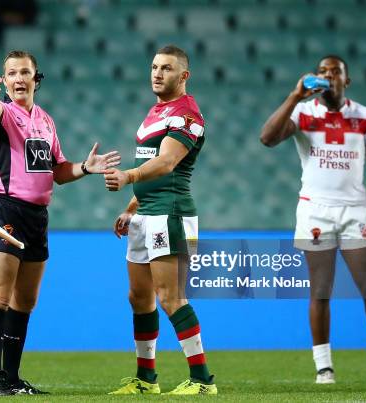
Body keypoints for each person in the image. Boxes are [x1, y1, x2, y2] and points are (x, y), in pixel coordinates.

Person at [0, 50, 120, 396]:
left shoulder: (44, 120)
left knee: (24, 301)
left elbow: (57, 171)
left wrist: (86, 168)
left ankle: (12, 378)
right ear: (4, 80)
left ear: (35, 79)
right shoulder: (2, 112)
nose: (18, 79)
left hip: (37, 217)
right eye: (11, 73)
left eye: (24, 72)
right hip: (5, 211)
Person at [259, 55, 366, 384]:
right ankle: (324, 368)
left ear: (346, 81)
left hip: (354, 211)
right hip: (315, 210)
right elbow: (267, 138)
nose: (327, 76)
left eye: (334, 72)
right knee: (320, 291)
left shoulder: (365, 117)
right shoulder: (303, 112)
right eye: (322, 71)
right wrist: (295, 95)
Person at [103, 45, 217, 395]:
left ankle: (202, 380)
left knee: (171, 297)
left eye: (166, 68)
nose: (156, 73)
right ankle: (146, 379)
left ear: (184, 76)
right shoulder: (156, 111)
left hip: (172, 212)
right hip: (147, 213)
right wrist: (131, 208)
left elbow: (167, 164)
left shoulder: (187, 116)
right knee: (139, 297)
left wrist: (128, 176)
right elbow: (154, 165)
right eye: (154, 66)